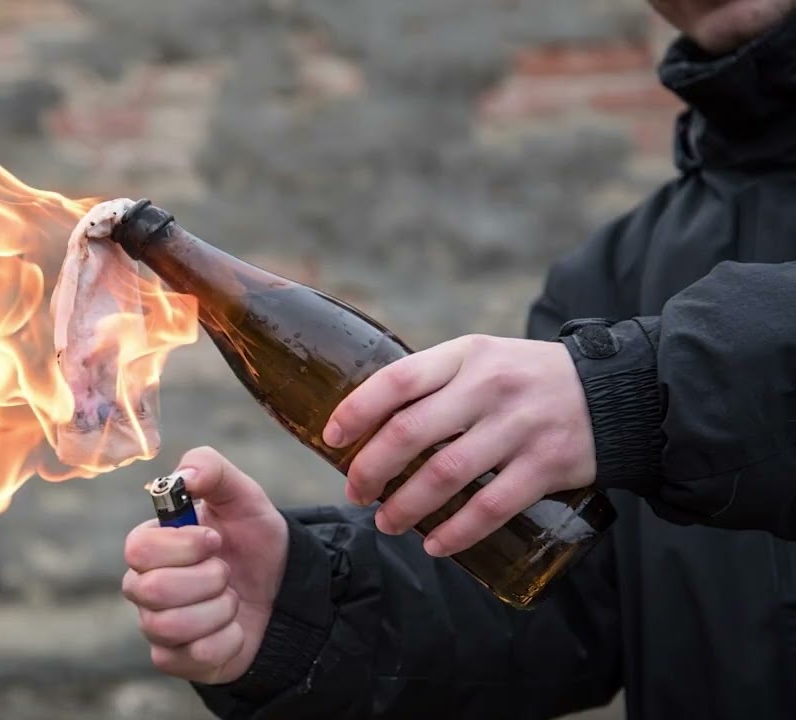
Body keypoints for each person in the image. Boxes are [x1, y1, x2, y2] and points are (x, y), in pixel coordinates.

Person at [120, 1, 796, 718]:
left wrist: (639, 390)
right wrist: (302, 608)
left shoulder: (615, 343)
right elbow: (562, 598)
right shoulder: (617, 272)